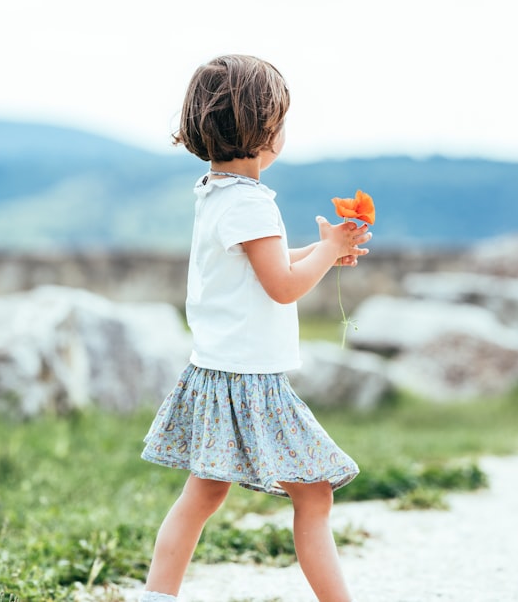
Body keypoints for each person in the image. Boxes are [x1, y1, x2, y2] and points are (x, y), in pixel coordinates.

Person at [138, 54, 371, 602]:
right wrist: (328, 249)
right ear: (265, 129)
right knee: (313, 496)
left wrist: (322, 250)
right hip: (250, 383)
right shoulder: (252, 204)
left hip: (217, 372)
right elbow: (284, 286)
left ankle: (156, 596)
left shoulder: (216, 193)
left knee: (202, 495)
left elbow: (258, 265)